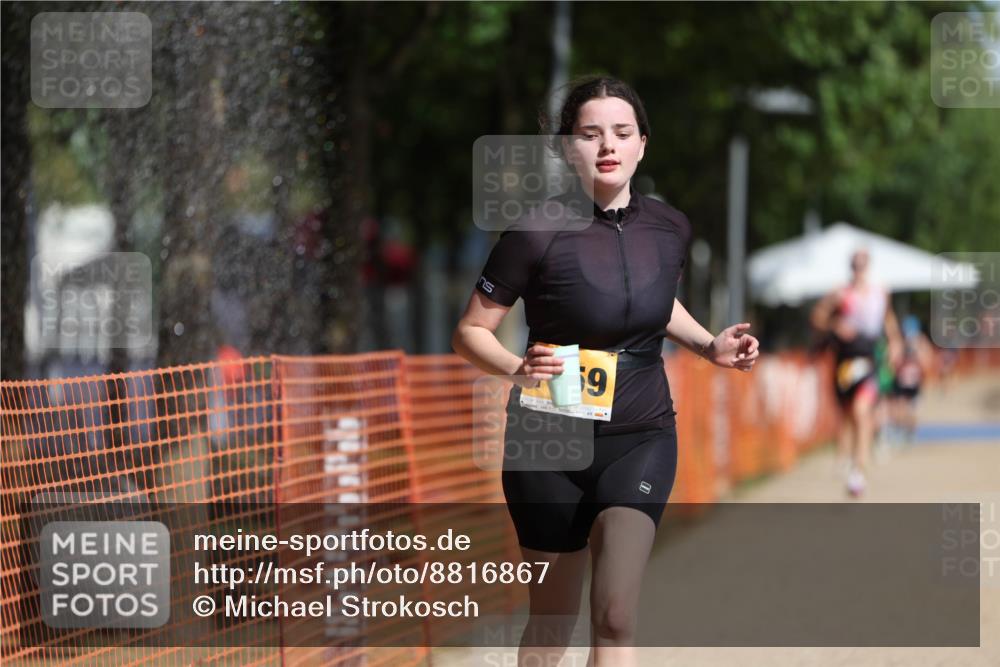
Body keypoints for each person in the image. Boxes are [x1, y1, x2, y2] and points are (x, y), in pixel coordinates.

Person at [451, 75, 760, 667]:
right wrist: (517, 367)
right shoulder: (533, 231)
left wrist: (708, 345)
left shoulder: (669, 228)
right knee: (551, 628)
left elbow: (653, 302)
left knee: (616, 616)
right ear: (568, 148)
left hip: (639, 436)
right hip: (548, 439)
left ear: (643, 142)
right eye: (590, 134)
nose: (608, 145)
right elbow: (469, 332)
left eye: (621, 132)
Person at [810, 249, 902, 498]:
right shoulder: (840, 293)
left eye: (862, 264)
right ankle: (850, 458)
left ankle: (858, 471)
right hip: (845, 363)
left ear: (868, 266)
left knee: (862, 411)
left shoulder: (880, 292)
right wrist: (834, 325)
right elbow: (817, 316)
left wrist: (895, 343)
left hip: (870, 358)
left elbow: (889, 319)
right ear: (851, 266)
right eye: (855, 264)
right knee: (848, 415)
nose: (858, 269)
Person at [888, 315, 935, 442]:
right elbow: (893, 362)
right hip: (901, 382)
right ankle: (899, 431)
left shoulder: (922, 343)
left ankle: (910, 432)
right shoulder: (899, 343)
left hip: (915, 383)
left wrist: (917, 355)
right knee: (898, 409)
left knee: (912, 411)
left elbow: (927, 363)